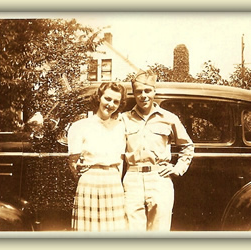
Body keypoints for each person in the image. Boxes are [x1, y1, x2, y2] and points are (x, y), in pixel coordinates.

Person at [122, 69, 194, 231]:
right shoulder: (124, 118)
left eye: (148, 91)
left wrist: (177, 168)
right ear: (134, 94)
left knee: (159, 231)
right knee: (132, 231)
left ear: (154, 91)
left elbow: (187, 146)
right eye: (139, 92)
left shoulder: (168, 118)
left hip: (159, 178)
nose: (143, 96)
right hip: (132, 178)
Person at [67, 82, 127, 232]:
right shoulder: (80, 126)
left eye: (116, 101)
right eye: (107, 99)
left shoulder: (121, 127)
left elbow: (120, 160)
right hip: (90, 183)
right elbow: (73, 163)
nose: (111, 104)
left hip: (113, 182)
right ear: (99, 98)